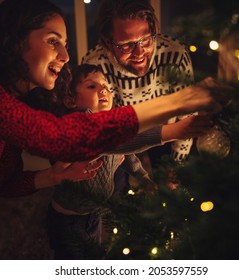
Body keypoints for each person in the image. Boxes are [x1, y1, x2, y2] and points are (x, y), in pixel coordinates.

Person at [0, 0, 219, 259]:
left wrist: (52, 175)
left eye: (65, 44)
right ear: (15, 39)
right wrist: (176, 106)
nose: (65, 55)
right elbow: (63, 136)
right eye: (52, 41)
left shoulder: (17, 99)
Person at [29, 64, 212, 259]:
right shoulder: (79, 126)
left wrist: (143, 177)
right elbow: (121, 141)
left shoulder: (108, 124)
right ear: (70, 100)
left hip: (93, 213)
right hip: (70, 220)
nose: (103, 90)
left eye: (106, 86)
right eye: (91, 86)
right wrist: (172, 131)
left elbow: (126, 155)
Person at [82, 0, 200, 194]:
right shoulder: (94, 66)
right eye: (126, 45)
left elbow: (186, 119)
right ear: (107, 41)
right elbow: (101, 134)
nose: (139, 53)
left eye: (146, 39)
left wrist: (175, 168)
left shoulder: (175, 56)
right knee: (114, 192)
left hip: (168, 132)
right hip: (119, 138)